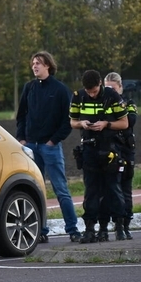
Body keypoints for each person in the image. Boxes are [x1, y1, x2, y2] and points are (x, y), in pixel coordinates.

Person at [15, 51, 80, 242]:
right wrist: (21, 139)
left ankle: (73, 229)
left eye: (39, 63)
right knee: (36, 189)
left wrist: (54, 140)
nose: (35, 66)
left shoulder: (60, 90)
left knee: (60, 189)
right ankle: (41, 231)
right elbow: (21, 116)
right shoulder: (29, 88)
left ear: (48, 66)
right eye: (33, 63)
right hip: (31, 147)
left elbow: (67, 120)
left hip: (50, 147)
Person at [69, 70, 129, 243]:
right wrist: (81, 123)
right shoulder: (78, 96)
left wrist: (106, 124)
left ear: (100, 85)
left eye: (94, 91)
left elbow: (124, 123)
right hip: (89, 148)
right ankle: (90, 228)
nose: (91, 95)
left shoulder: (112, 96)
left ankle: (118, 226)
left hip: (109, 148)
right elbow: (72, 121)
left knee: (112, 189)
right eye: (89, 92)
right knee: (91, 190)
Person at [101, 72, 136, 240]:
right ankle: (111, 225)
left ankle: (125, 225)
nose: (110, 92)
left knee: (125, 190)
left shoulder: (128, 104)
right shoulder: (102, 104)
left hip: (126, 151)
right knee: (109, 190)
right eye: (107, 88)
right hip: (110, 152)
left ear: (120, 88)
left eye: (113, 89)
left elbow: (130, 121)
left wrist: (110, 122)